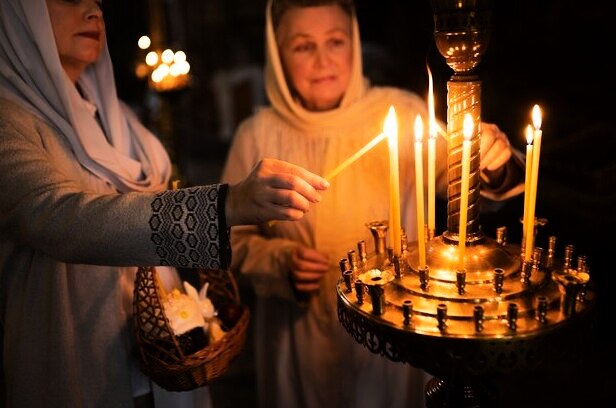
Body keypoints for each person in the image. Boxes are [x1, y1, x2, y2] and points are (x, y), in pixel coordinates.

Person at [0, 1, 330, 407]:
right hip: (80, 362)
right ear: (18, 13)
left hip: (162, 354)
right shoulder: (9, 123)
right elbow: (61, 217)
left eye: (99, 1)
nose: (94, 10)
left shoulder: (117, 115)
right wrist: (227, 204)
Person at [219, 0, 525, 407]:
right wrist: (277, 261)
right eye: (302, 46)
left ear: (355, 44)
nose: (323, 60)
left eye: (336, 41)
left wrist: (490, 163)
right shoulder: (256, 136)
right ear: (277, 54)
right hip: (300, 336)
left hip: (395, 327)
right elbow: (229, 237)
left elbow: (465, 190)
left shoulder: (398, 112)